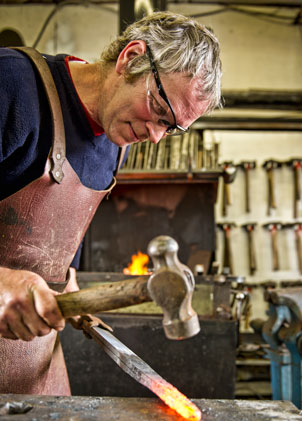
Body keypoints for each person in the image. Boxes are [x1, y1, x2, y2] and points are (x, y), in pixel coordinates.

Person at [0, 11, 222, 394]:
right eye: (158, 111)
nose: (154, 137)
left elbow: (52, 249)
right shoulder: (12, 87)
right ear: (130, 58)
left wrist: (67, 286)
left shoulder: (116, 143)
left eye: (170, 128)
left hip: (33, 363)